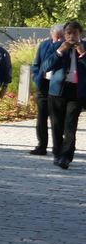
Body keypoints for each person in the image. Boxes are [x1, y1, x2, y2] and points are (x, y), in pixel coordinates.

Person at [41, 19, 86, 169]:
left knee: (70, 126)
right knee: (56, 125)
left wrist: (83, 54)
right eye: (68, 33)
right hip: (57, 91)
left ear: (80, 34)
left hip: (76, 92)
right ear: (64, 34)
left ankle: (66, 157)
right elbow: (45, 67)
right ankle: (57, 153)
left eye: (75, 33)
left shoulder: (85, 47)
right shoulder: (56, 46)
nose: (71, 36)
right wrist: (60, 51)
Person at [29, 24, 64, 155]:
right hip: (43, 84)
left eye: (61, 37)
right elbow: (36, 64)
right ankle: (41, 145)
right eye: (57, 37)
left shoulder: (66, 47)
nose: (59, 39)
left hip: (58, 85)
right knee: (41, 117)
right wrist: (36, 77)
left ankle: (58, 147)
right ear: (52, 35)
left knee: (57, 119)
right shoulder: (44, 45)